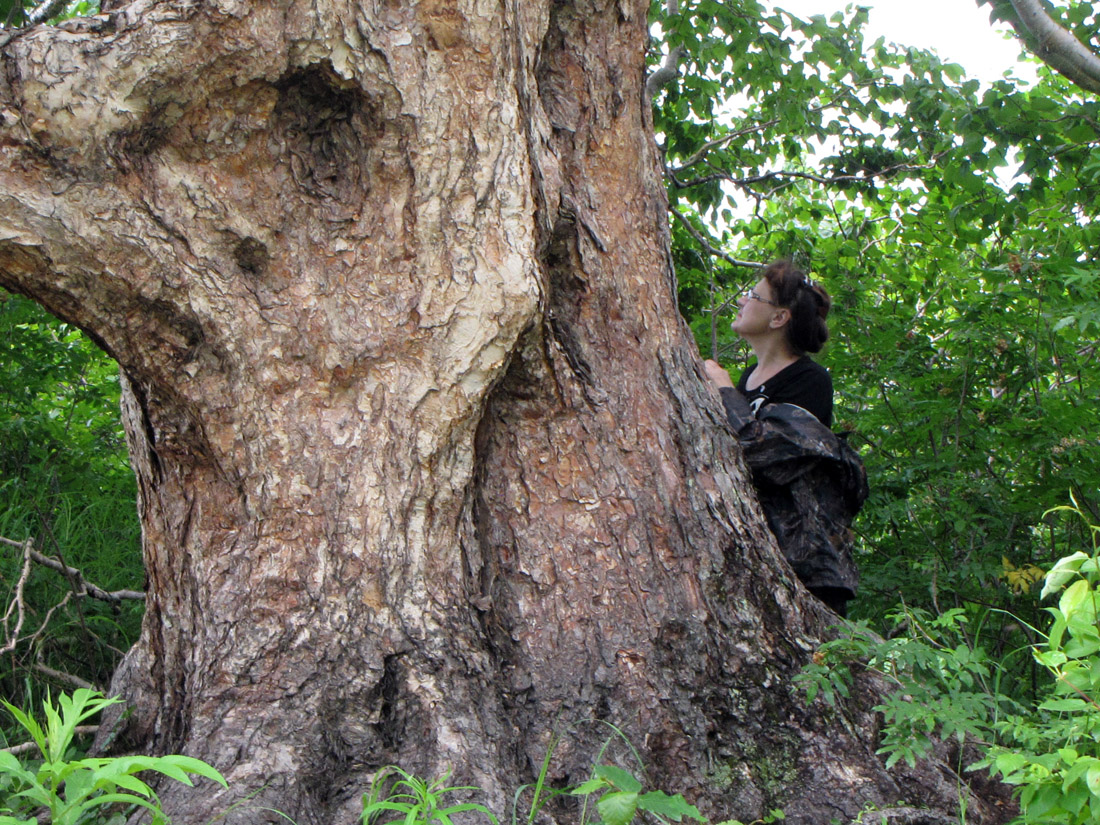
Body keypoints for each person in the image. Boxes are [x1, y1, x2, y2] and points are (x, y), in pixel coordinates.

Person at [704, 260, 867, 617]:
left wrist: (723, 390)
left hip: (804, 569)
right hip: (748, 553)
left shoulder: (810, 380)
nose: (742, 302)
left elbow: (764, 455)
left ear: (778, 318)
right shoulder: (746, 377)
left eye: (753, 296)